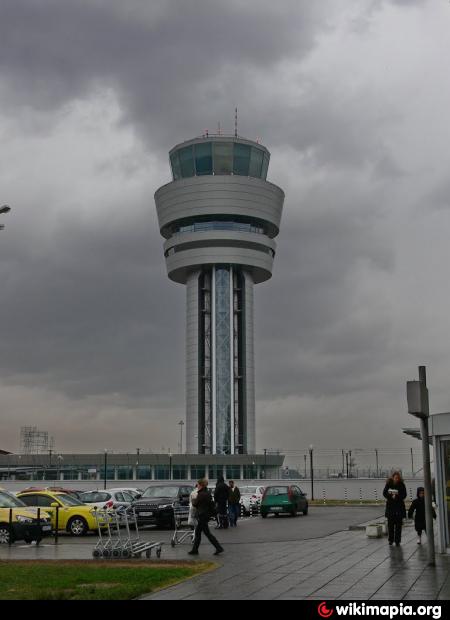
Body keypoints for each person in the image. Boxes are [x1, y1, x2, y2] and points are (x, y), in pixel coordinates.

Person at [189, 479, 224, 556]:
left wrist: (193, 499)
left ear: (201, 485)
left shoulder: (201, 494)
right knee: (199, 533)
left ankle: (218, 548)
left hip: (202, 516)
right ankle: (195, 550)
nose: (197, 486)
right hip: (205, 515)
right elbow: (210, 504)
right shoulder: (207, 493)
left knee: (206, 534)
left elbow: (195, 504)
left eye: (197, 485)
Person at [383, 471, 407, 546]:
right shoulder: (388, 484)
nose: (396, 479)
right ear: (392, 478)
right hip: (390, 507)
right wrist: (390, 496)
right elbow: (384, 493)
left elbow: (404, 495)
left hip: (399, 507)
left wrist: (397, 496)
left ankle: (397, 541)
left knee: (398, 526)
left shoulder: (402, 485)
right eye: (395, 478)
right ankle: (390, 540)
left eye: (398, 478)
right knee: (390, 525)